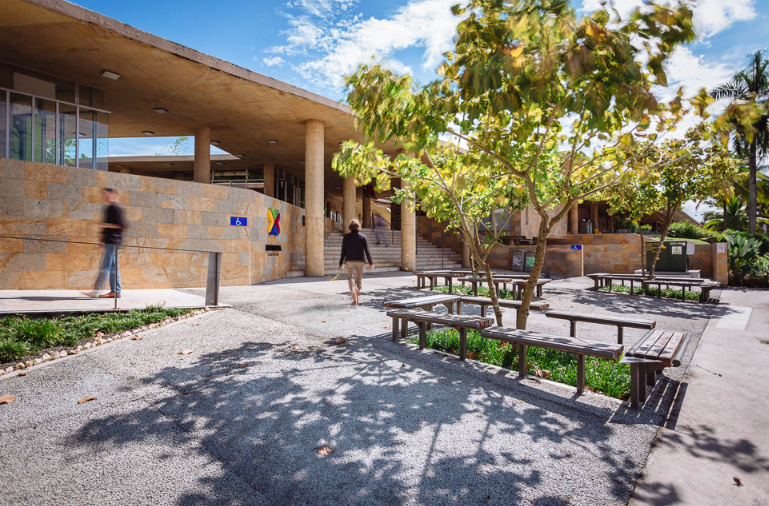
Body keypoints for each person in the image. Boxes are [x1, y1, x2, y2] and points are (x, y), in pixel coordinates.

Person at [86, 188, 125, 298]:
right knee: (113, 268)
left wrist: (103, 224)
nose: (105, 196)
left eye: (107, 194)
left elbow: (121, 225)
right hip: (110, 241)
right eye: (104, 194)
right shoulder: (109, 208)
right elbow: (106, 228)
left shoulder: (116, 208)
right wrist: (100, 242)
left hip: (114, 241)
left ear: (113, 194)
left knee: (105, 266)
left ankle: (96, 290)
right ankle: (115, 291)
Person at [339, 219, 374, 306]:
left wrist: (341, 262)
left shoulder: (346, 237)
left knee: (350, 278)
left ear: (350, 227)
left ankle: (353, 295)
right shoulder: (362, 237)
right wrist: (371, 262)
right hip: (360, 261)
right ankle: (356, 295)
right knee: (359, 280)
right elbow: (367, 251)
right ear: (358, 227)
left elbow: (343, 250)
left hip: (349, 260)